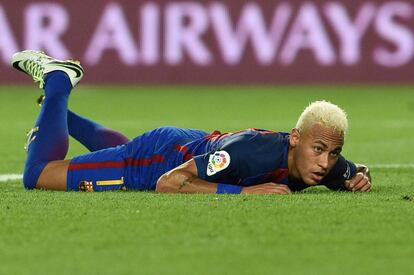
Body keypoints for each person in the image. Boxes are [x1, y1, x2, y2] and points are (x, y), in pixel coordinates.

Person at [12, 50, 371, 194]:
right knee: (37, 175)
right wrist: (244, 193)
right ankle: (59, 80)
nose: (325, 162)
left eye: (333, 153)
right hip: (156, 162)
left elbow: (354, 170)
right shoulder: (250, 155)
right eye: (319, 150)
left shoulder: (328, 165)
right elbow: (171, 182)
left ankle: (57, 114)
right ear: (296, 139)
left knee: (117, 149)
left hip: (186, 143)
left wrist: (359, 177)